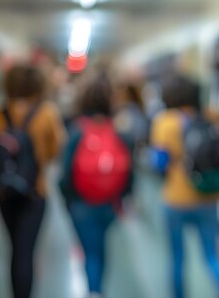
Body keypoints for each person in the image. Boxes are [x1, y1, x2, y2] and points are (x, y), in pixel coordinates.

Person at [0, 63, 66, 298]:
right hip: (35, 193)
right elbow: (55, 151)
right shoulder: (47, 114)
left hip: (4, 194)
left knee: (14, 249)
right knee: (26, 252)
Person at [150, 74, 219, 298]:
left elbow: (158, 164)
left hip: (176, 199)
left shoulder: (164, 121)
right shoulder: (212, 115)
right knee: (212, 256)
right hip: (208, 195)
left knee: (177, 257)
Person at [59, 71, 134, 298]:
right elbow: (130, 174)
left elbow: (65, 176)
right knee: (100, 249)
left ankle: (94, 291)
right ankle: (98, 287)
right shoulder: (121, 133)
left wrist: (70, 203)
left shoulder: (76, 132)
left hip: (83, 204)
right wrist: (122, 200)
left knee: (90, 252)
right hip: (110, 204)